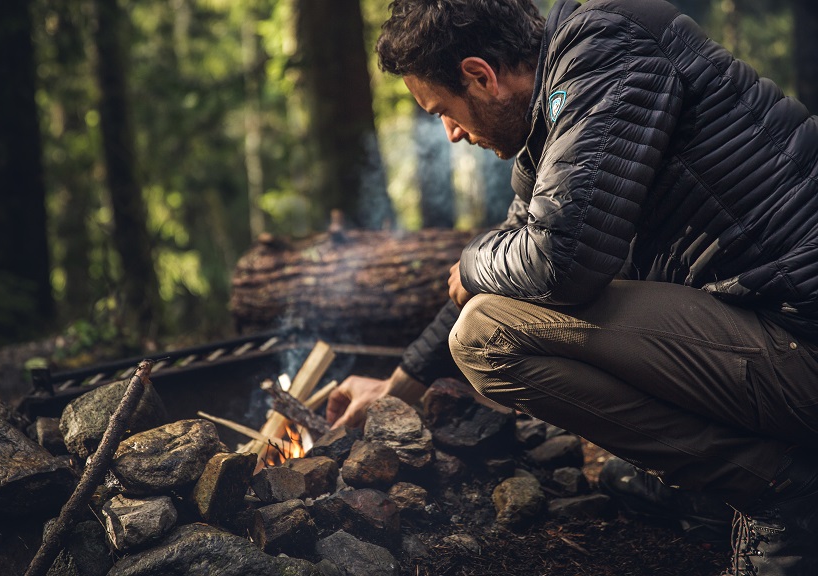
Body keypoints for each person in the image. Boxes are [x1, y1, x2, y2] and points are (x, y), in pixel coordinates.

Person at [326, 0, 818, 573]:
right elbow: (507, 268)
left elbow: (560, 262)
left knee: (487, 337)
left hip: (800, 334)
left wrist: (472, 258)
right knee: (492, 307)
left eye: (445, 111)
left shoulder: (608, 55)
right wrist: (393, 389)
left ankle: (781, 488)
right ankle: (713, 487)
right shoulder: (564, 104)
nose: (453, 134)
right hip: (777, 324)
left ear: (480, 75)